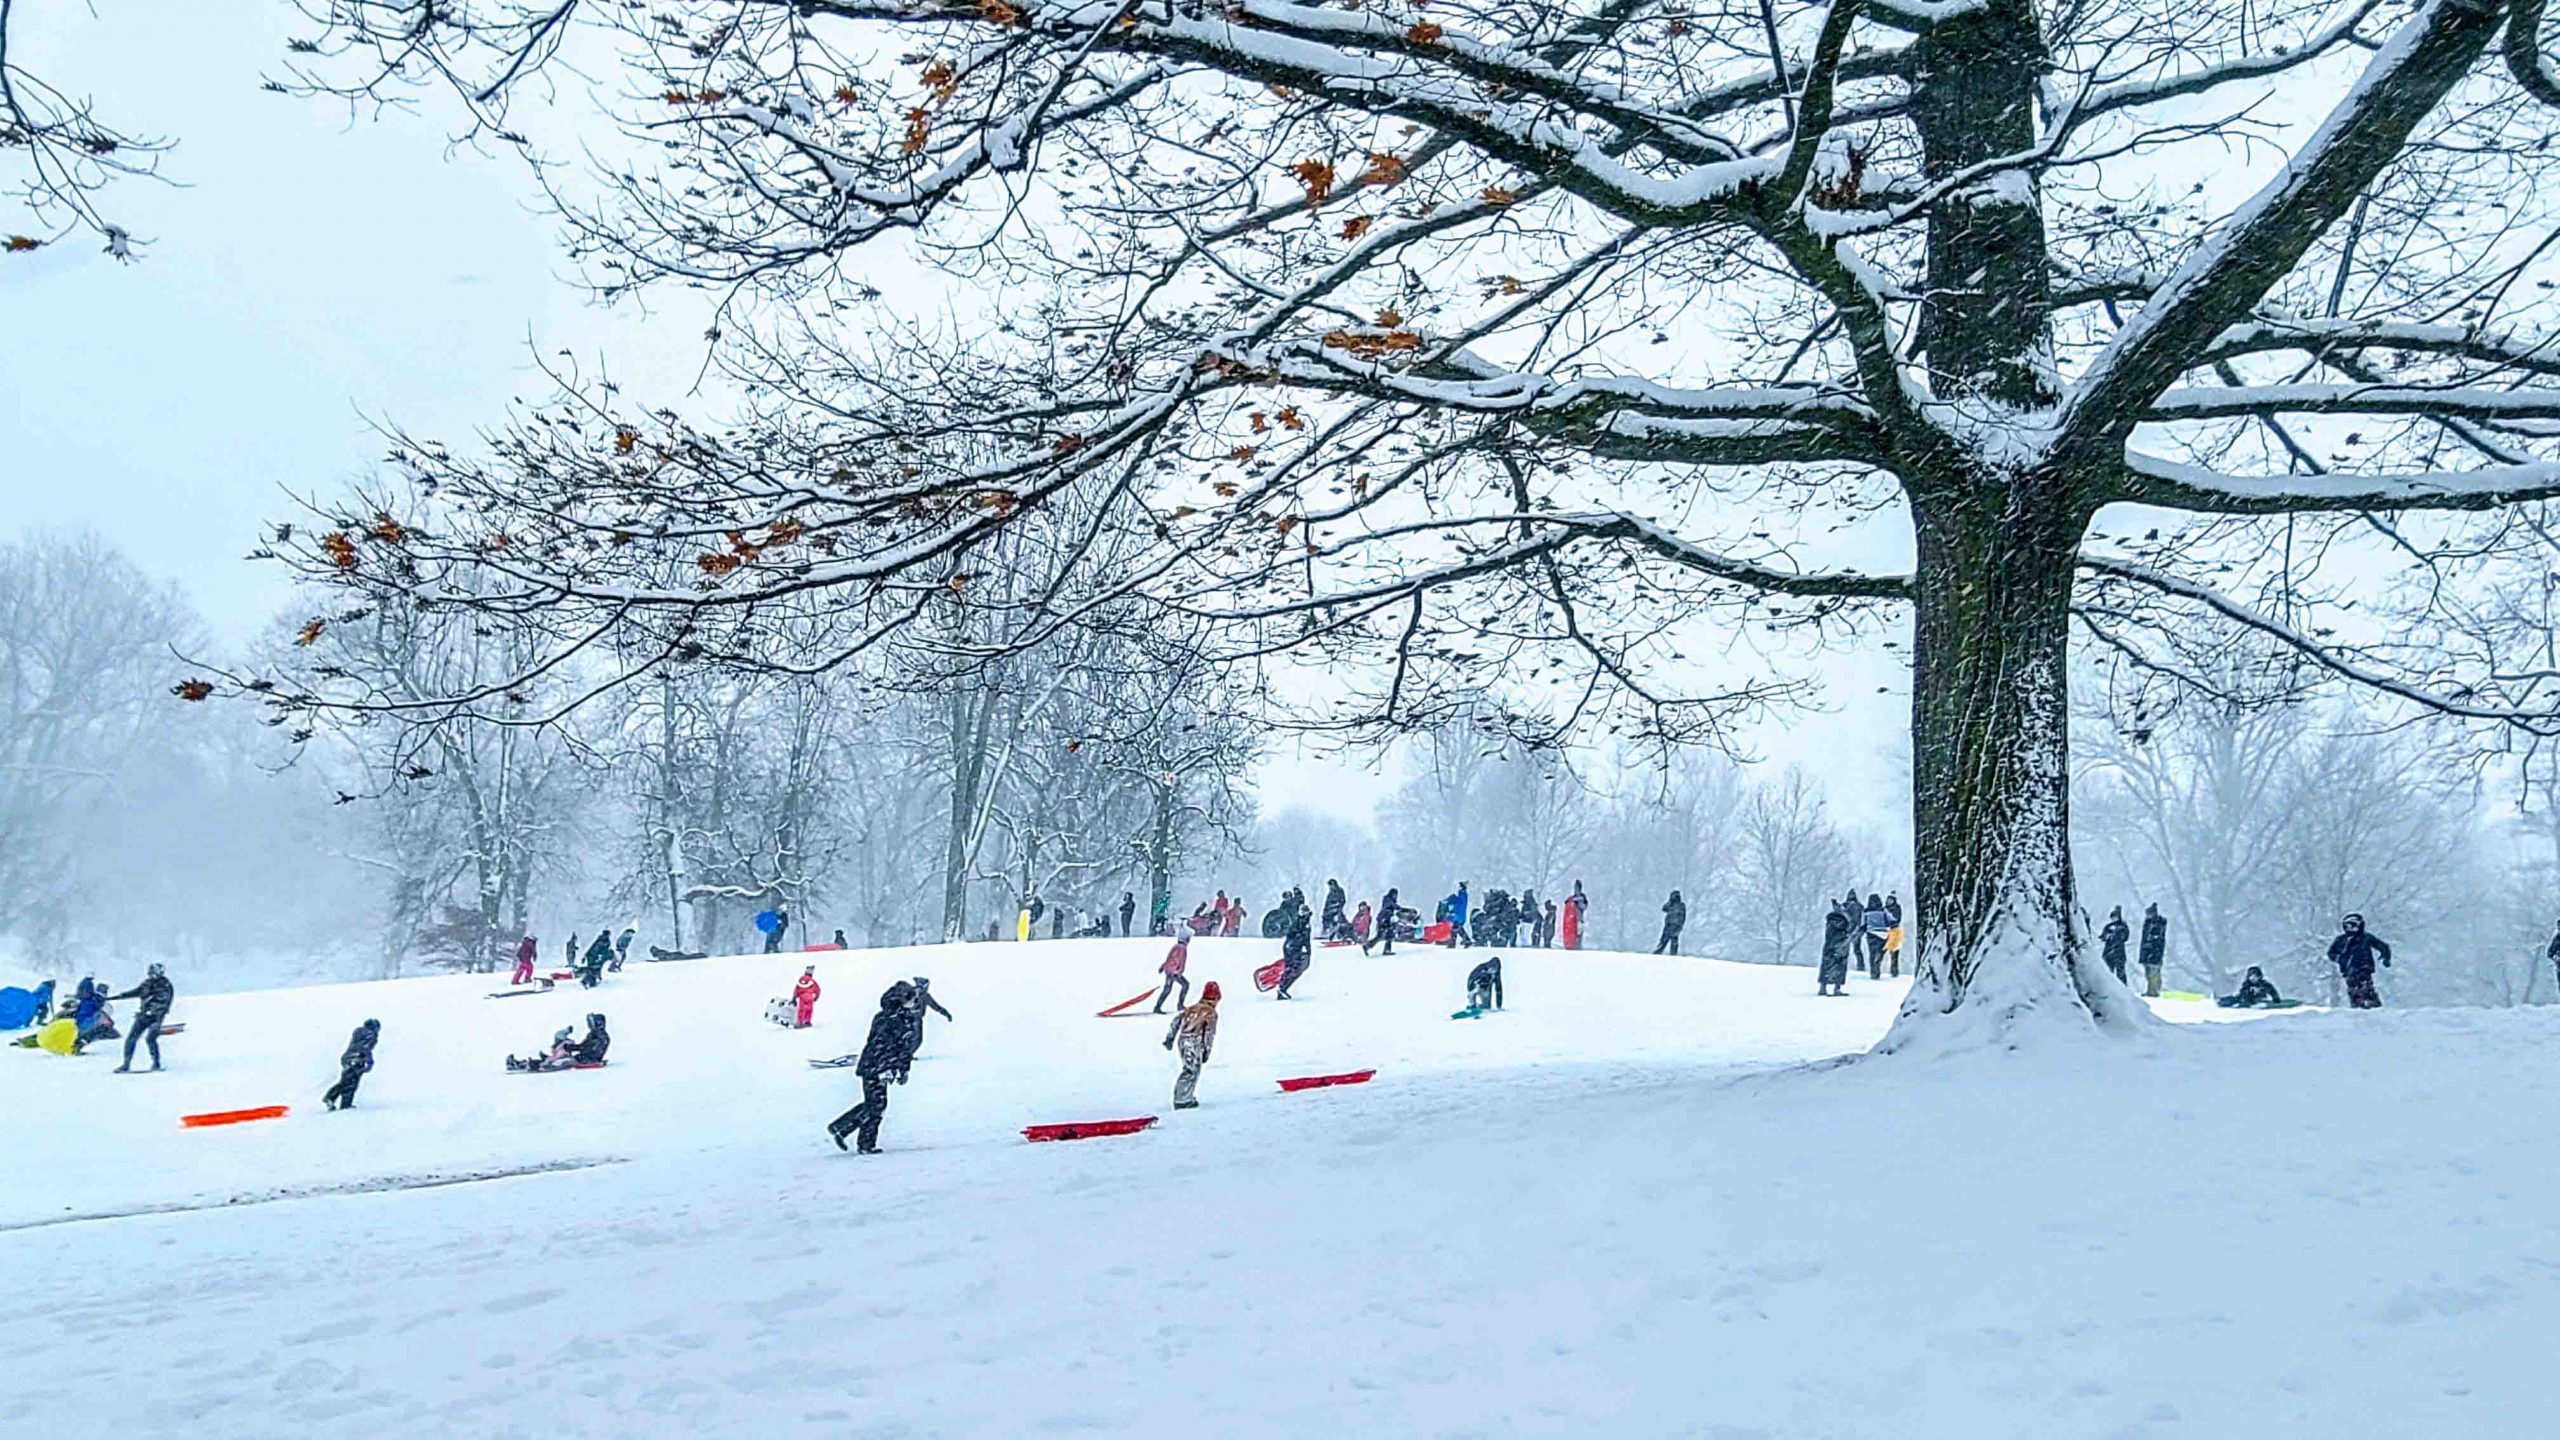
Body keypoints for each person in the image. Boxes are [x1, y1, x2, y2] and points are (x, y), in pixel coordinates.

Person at [828, 983, 916, 1153]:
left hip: (881, 1067)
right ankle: (863, 1143)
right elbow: (881, 1045)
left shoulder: (903, 1018)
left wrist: (904, 1069)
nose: (914, 1002)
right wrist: (884, 1068)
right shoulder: (887, 1019)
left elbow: (904, 1048)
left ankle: (841, 1128)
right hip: (875, 1067)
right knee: (876, 1105)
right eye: (911, 998)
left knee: (874, 1104)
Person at [1163, 981, 1222, 1110]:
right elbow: (1209, 1034)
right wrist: (1207, 1050)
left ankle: (1186, 1095)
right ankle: (1182, 1099)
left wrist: (1170, 1038)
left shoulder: (1191, 1008)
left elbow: (1175, 1022)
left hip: (1182, 1040)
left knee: (1189, 1068)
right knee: (1191, 1070)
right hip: (1194, 1042)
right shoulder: (1210, 1013)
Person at [109, 963, 174, 1073]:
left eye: (155, 972)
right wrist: (117, 996)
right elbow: (136, 992)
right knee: (131, 1038)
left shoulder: (165, 985)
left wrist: (154, 1011)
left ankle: (156, 1063)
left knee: (150, 1039)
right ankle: (126, 1064)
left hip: (156, 1016)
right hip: (144, 1015)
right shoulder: (147, 983)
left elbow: (164, 1001)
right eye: (151, 972)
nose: (152, 975)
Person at [2327, 913, 2392, 1009]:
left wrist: (2386, 958)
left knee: (2365, 986)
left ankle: (2372, 1004)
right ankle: (2357, 1007)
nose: (2350, 928)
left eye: (2353, 925)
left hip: (2364, 967)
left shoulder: (2365, 938)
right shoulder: (2341, 940)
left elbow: (2383, 946)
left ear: (2359, 925)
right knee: (2353, 989)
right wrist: (2340, 958)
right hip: (2348, 970)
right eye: (2347, 926)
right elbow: (2331, 953)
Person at [322, 1019, 380, 1111]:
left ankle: (334, 1099)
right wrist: (369, 1062)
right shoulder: (370, 1034)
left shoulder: (359, 1032)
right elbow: (365, 1048)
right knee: (351, 1083)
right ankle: (340, 1102)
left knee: (346, 1081)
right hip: (357, 1059)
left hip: (348, 1058)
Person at [903, 976, 953, 1061]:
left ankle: (905, 1054)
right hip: (915, 1019)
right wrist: (946, 1014)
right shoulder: (924, 996)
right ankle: (906, 1055)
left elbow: (936, 1006)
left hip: (907, 1019)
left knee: (910, 1039)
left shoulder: (912, 992)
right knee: (917, 1039)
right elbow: (936, 1006)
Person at [1152, 931, 1193, 1013]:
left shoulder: (1175, 946)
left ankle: (1157, 1006)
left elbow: (1169, 958)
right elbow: (1181, 960)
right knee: (1185, 985)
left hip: (1168, 970)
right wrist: (1179, 971)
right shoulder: (1182, 948)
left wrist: (1163, 966)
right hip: (1174, 972)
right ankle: (1180, 1005)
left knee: (1167, 989)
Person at [1818, 900, 1853, 996]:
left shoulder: (1829, 923)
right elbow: (1847, 930)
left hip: (1828, 948)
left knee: (1826, 967)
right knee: (1839, 969)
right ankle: (1836, 988)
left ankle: (1823, 987)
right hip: (1840, 949)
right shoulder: (1842, 923)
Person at [1277, 906, 1313, 999]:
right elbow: (1303, 938)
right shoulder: (1302, 923)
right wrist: (1307, 949)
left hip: (1293, 947)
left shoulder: (1302, 922)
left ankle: (1283, 987)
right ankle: (1282, 988)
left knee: (1294, 968)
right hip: (1293, 948)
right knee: (1293, 968)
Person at [2218, 966, 2285, 1009]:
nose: (2252, 978)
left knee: (2246, 1003)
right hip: (2245, 998)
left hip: (2257, 1000)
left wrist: (2276, 1000)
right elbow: (2242, 992)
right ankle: (2221, 1001)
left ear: (2259, 976)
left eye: (2254, 976)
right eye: (2250, 976)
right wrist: (2247, 992)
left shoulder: (2264, 984)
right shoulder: (2247, 984)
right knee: (2233, 999)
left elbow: (2272, 992)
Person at [2138, 903, 2167, 997]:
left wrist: (2151, 944)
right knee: (2148, 973)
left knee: (2153, 973)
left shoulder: (2158, 924)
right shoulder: (2147, 923)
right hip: (2147, 952)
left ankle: (2154, 991)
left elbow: (2157, 938)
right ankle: (2150, 989)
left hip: (2155, 952)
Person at [1861, 893, 1891, 980]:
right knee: (1881, 951)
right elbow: (1890, 920)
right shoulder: (1884, 910)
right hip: (1883, 934)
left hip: (1871, 934)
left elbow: (1863, 923)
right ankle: (1878, 962)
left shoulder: (1866, 911)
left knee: (1872, 953)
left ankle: (1873, 972)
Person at [2099, 907, 2131, 984]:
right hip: (2108, 952)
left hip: (2119, 952)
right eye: (2112, 917)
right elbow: (2103, 936)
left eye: (2115, 917)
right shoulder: (2108, 926)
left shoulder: (2123, 926)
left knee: (2120, 973)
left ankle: (2123, 989)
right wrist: (2106, 936)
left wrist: (2116, 934)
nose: (2113, 919)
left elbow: (2125, 937)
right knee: (2108, 973)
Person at [1367, 887, 1400, 955]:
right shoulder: (1387, 899)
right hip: (1383, 920)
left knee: (1389, 935)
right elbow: (1390, 905)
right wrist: (1398, 907)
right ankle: (1367, 946)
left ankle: (1386, 950)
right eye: (1394, 894)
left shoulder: (1390, 901)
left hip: (1387, 920)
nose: (1395, 896)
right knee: (1380, 936)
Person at [1654, 890, 1686, 956]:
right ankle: (1657, 953)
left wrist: (1680, 926)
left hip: (1676, 925)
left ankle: (1673, 954)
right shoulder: (1671, 904)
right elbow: (1664, 908)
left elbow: (1683, 916)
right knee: (1664, 940)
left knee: (1674, 941)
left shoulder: (1681, 905)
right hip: (1668, 925)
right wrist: (1670, 902)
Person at [1883, 893, 1905, 977]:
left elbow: (1897, 919)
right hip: (1886, 931)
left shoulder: (1897, 908)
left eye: (1890, 900)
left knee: (1895, 952)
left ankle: (1894, 971)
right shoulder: (1884, 908)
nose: (1889, 901)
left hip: (1895, 931)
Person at [1561, 882, 1586, 951]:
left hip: (1579, 919)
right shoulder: (1571, 898)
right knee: (1571, 933)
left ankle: (1578, 947)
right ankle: (1570, 945)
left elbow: (1584, 906)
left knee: (1578, 934)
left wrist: (1578, 902)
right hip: (1571, 921)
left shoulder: (1582, 897)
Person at [1445, 883, 1472, 947]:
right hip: (1461, 918)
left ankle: (1452, 943)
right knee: (1459, 929)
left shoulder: (1456, 900)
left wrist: (1449, 916)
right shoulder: (1462, 898)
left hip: (1457, 918)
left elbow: (1452, 903)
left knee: (1455, 930)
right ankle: (1466, 941)